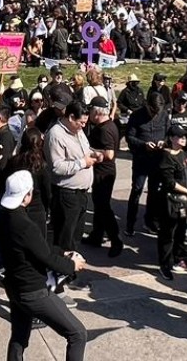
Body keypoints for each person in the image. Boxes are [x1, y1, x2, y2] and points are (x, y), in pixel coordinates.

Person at [0, 170, 88, 361]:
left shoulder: (4, 217)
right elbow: (46, 257)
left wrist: (62, 252)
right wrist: (72, 265)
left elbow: (38, 247)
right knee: (78, 334)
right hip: (33, 291)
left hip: (14, 286)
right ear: (28, 194)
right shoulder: (24, 224)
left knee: (19, 336)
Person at [43, 101, 100, 252]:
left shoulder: (78, 131)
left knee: (75, 236)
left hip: (81, 193)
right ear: (71, 117)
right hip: (66, 194)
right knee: (64, 238)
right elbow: (57, 166)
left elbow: (85, 149)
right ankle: (61, 271)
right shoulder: (55, 135)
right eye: (81, 122)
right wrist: (82, 163)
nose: (83, 126)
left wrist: (93, 153)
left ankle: (71, 268)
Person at [125, 92, 169, 235]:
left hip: (157, 159)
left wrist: (165, 142)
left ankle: (150, 221)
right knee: (137, 189)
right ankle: (130, 224)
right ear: (147, 106)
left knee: (154, 191)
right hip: (141, 159)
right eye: (153, 111)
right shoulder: (136, 116)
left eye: (157, 112)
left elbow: (168, 133)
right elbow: (129, 137)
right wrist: (144, 145)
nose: (155, 114)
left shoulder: (164, 115)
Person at [156, 124, 187, 280]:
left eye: (185, 136)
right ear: (172, 138)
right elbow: (169, 182)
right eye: (180, 137)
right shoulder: (166, 156)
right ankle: (164, 264)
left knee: (181, 231)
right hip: (170, 201)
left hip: (184, 200)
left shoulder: (184, 154)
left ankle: (179, 259)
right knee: (168, 233)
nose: (184, 139)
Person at [83, 96, 123, 257]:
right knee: (99, 206)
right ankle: (96, 235)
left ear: (97, 112)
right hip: (105, 172)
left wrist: (89, 149)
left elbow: (109, 154)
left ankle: (116, 240)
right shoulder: (110, 125)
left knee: (103, 207)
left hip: (103, 173)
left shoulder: (104, 129)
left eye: (91, 110)